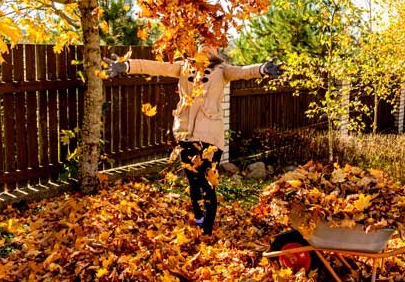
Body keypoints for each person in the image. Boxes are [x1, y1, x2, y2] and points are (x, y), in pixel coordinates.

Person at [104, 45, 283, 235]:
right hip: (186, 134)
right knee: (193, 181)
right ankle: (199, 217)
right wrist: (127, 66)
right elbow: (156, 67)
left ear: (216, 48)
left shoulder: (222, 70)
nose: (205, 43)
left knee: (206, 182)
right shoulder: (184, 66)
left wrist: (262, 69)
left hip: (210, 136)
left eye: (210, 41)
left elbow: (243, 72)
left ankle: (207, 228)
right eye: (201, 41)